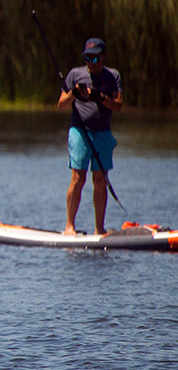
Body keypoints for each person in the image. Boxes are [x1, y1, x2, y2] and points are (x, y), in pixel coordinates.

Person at [57, 37, 122, 236]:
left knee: (100, 180)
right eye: (88, 59)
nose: (92, 63)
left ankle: (99, 228)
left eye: (96, 59)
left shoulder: (113, 76)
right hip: (80, 131)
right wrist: (74, 93)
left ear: (103, 57)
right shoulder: (75, 75)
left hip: (102, 132)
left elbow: (118, 105)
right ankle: (69, 226)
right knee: (78, 178)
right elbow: (61, 104)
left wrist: (99, 97)